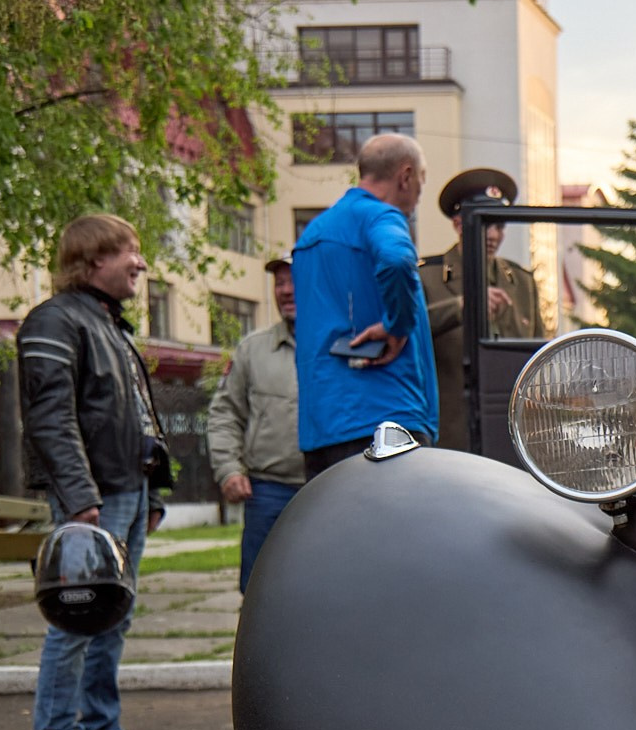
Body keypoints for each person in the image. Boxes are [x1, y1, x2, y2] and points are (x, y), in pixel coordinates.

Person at [17, 213, 175, 730]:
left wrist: (152, 487)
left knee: (113, 614)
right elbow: (50, 419)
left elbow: (134, 416)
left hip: (127, 492)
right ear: (91, 261)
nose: (140, 262)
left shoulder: (110, 325)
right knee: (77, 618)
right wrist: (80, 499)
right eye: (129, 252)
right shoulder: (54, 322)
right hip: (94, 499)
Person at [291, 133, 437, 477]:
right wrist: (397, 325)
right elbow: (397, 260)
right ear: (405, 176)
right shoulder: (379, 218)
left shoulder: (312, 234)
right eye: (420, 182)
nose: (418, 197)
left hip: (322, 428)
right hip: (387, 422)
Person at [419, 168, 548, 450]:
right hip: (452, 438)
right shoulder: (426, 277)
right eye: (484, 225)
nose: (493, 235)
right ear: (458, 224)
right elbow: (407, 332)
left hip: (515, 439)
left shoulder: (522, 282)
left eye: (500, 226)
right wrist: (461, 308)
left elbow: (538, 358)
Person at [208, 253, 302, 591]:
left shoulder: (342, 345)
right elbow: (225, 413)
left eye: (294, 280)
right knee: (260, 591)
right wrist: (229, 468)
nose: (286, 291)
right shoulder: (253, 350)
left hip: (327, 488)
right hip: (268, 490)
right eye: (279, 283)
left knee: (327, 586)